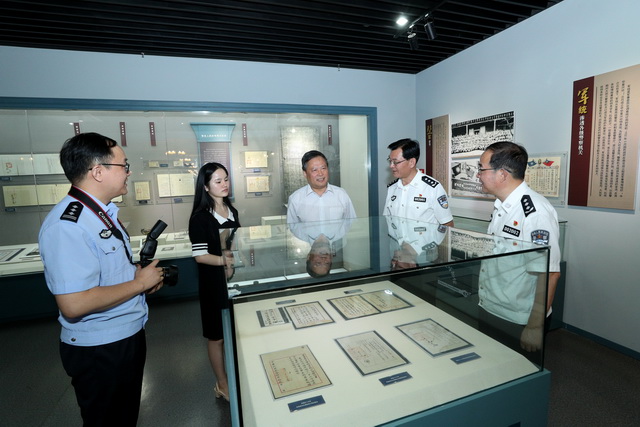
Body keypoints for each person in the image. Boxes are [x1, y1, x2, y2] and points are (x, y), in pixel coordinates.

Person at [38, 132, 164, 426]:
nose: (129, 172)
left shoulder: (99, 214)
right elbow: (74, 304)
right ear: (97, 171)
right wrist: (139, 284)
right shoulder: (68, 225)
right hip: (100, 350)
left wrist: (139, 278)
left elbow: (108, 273)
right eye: (124, 165)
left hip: (123, 337)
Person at [476, 141, 561, 355]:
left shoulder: (535, 212)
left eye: (481, 169)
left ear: (502, 174)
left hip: (519, 317)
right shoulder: (502, 206)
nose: (478, 175)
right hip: (492, 307)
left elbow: (549, 273)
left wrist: (534, 326)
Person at [189, 162, 240, 402]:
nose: (224, 184)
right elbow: (200, 256)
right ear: (206, 187)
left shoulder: (232, 210)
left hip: (232, 279)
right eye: (218, 181)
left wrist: (232, 262)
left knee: (235, 331)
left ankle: (237, 377)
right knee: (216, 336)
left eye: (226, 179)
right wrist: (224, 262)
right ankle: (222, 383)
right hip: (212, 282)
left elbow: (235, 243)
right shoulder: (200, 218)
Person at [384, 138, 454, 226]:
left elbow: (447, 224)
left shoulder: (432, 188)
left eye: (395, 162)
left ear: (411, 162)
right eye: (390, 161)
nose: (391, 166)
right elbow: (388, 220)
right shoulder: (392, 188)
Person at [286, 150, 356, 223]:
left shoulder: (341, 195)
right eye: (314, 170)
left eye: (323, 168)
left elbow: (352, 225)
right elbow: (292, 228)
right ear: (305, 174)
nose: (320, 173)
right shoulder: (295, 199)